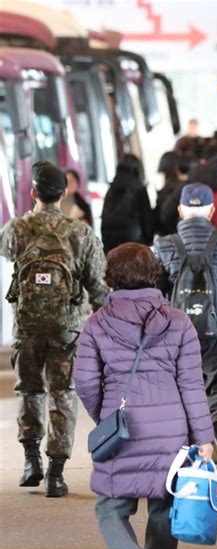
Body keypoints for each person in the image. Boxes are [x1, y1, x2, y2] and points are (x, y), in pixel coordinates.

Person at [73, 243, 214, 549]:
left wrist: (105, 417)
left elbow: (85, 381)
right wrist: (205, 438)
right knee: (164, 511)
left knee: (109, 509)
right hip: (172, 434)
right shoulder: (179, 321)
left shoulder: (97, 323)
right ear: (155, 273)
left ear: (110, 277)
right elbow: (192, 385)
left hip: (122, 434)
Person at [0, 161, 108, 497]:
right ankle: (56, 475)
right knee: (63, 394)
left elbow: (6, 253)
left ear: (32, 192)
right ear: (64, 193)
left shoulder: (15, 229)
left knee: (29, 390)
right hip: (67, 328)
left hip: (27, 326)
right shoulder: (81, 234)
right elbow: (97, 285)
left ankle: (31, 460)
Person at [154, 183, 217, 464]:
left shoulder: (163, 245)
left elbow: (153, 291)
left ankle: (184, 445)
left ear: (180, 211)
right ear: (211, 211)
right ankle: (212, 441)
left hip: (175, 331)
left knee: (180, 384)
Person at [101, 155, 153, 254]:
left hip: (110, 244)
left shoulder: (111, 188)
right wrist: (148, 239)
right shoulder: (139, 188)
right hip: (134, 242)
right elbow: (147, 219)